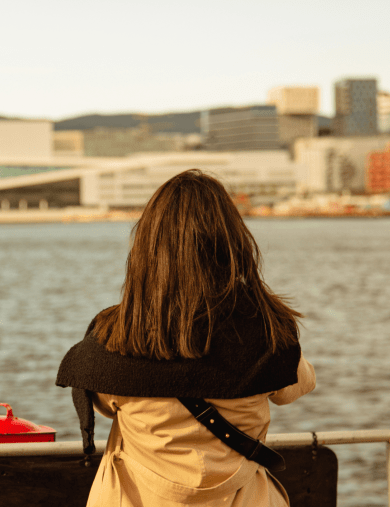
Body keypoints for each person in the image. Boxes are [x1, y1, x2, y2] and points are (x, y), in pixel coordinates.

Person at [57, 169, 315, 507]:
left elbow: (104, 404)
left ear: (147, 250)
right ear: (232, 246)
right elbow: (296, 385)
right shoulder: (265, 329)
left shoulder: (119, 332)